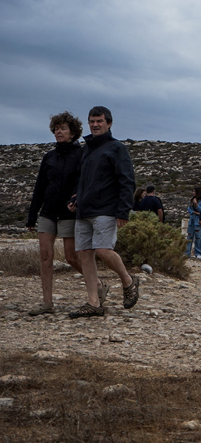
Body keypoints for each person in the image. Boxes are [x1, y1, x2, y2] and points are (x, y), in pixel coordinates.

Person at [25, 112, 108, 315]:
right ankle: (46, 303)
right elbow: (40, 187)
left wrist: (76, 199)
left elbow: (84, 182)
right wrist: (32, 215)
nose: (58, 132)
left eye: (62, 128)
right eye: (56, 128)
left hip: (69, 212)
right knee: (45, 256)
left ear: (72, 132)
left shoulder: (81, 154)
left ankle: (97, 284)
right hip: (48, 212)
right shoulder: (49, 157)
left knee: (71, 256)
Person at [67, 106, 140, 318]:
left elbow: (127, 181)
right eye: (92, 121)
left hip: (106, 209)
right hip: (84, 210)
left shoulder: (117, 148)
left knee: (102, 250)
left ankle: (128, 280)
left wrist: (123, 211)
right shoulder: (86, 149)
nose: (95, 125)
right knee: (84, 255)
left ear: (109, 123)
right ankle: (94, 302)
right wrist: (75, 199)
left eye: (99, 121)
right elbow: (82, 181)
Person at [185, 187, 201, 258]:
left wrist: (196, 204)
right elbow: (189, 209)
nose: (193, 192)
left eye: (194, 191)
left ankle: (198, 253)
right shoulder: (191, 200)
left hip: (198, 221)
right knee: (189, 237)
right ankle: (187, 253)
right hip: (192, 221)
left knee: (198, 238)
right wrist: (194, 212)